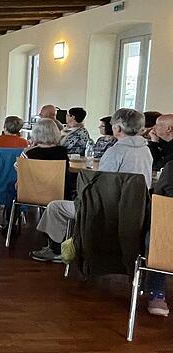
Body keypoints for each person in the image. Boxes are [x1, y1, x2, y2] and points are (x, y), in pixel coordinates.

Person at [30, 108, 153, 263]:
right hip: (135, 210)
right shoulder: (145, 150)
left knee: (55, 207)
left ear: (118, 128)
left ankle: (56, 250)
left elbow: (102, 186)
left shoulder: (115, 152)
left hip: (108, 209)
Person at [145, 159, 172, 317]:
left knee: (157, 229)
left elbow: (157, 201)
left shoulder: (170, 168)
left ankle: (157, 292)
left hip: (166, 246)